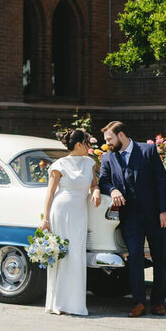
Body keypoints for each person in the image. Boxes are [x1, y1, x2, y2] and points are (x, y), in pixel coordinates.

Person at [98, 120, 166, 317]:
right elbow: (103, 181)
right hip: (129, 217)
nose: (106, 143)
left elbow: (162, 181)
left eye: (109, 139)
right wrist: (112, 189)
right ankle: (138, 302)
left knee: (160, 259)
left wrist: (165, 210)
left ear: (121, 135)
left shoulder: (147, 151)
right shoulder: (108, 158)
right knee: (134, 259)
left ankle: (158, 302)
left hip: (155, 215)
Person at [40, 128, 101, 316]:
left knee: (76, 255)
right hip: (62, 210)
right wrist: (45, 219)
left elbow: (93, 183)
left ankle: (74, 303)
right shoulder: (59, 165)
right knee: (63, 254)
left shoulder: (89, 162)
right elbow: (50, 193)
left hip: (80, 213)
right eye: (87, 143)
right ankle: (58, 302)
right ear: (79, 145)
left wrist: (96, 190)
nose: (90, 146)